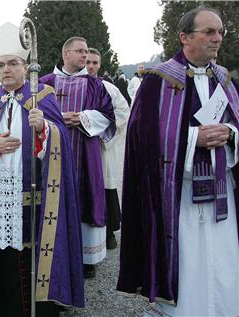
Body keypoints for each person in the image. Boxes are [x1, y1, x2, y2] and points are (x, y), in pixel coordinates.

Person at [117, 7, 238, 317]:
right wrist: (190, 140)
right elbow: (140, 138)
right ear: (184, 37)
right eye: (209, 32)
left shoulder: (222, 79)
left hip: (222, 195)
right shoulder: (158, 80)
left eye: (220, 32)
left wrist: (231, 132)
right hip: (178, 197)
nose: (217, 38)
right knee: (188, 264)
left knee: (223, 263)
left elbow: (237, 121)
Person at [0, 23, 84, 317]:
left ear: (26, 66)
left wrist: (44, 128)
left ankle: (41, 309)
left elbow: (61, 143)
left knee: (36, 253)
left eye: (13, 63)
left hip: (37, 198)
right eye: (1, 64)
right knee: (4, 255)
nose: (6, 69)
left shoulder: (42, 96)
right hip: (1, 196)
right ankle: (3, 307)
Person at [39, 36, 116, 278]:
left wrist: (82, 118)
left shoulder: (95, 85)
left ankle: (86, 259)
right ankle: (52, 254)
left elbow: (108, 116)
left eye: (86, 52)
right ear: (65, 55)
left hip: (85, 153)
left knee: (86, 198)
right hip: (49, 153)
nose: (85, 56)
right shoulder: (44, 83)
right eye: (80, 51)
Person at [86, 48, 130, 249]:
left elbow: (122, 111)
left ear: (100, 64)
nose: (91, 66)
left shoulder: (108, 88)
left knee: (105, 187)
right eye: (88, 62)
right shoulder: (75, 86)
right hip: (82, 148)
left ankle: (110, 231)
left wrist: (104, 133)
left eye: (95, 62)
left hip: (102, 146)